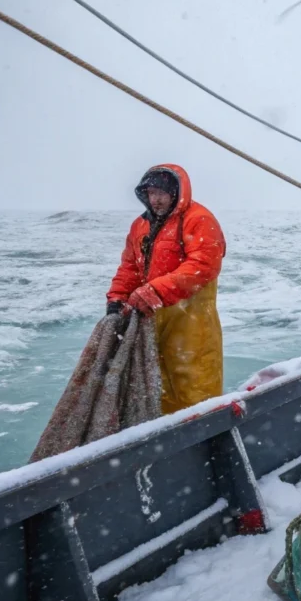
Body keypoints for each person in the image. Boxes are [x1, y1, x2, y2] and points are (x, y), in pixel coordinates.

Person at [107, 164, 226, 414]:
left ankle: (202, 431)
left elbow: (203, 265)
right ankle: (161, 431)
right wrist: (117, 298)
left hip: (191, 319)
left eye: (161, 193)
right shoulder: (140, 226)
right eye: (151, 193)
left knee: (194, 378)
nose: (156, 200)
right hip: (152, 314)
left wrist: (156, 291)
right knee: (155, 378)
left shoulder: (199, 219)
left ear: (175, 193)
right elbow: (130, 266)